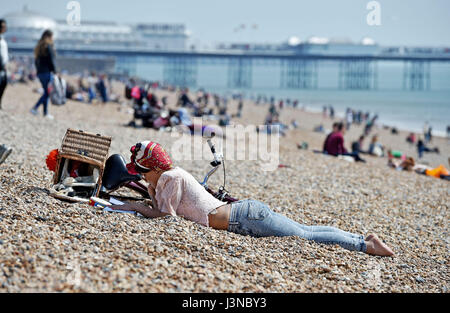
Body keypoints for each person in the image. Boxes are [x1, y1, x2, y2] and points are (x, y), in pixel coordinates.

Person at [111, 141, 394, 256]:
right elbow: (161, 205)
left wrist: (135, 206)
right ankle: (363, 238)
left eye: (143, 171)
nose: (141, 176)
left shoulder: (172, 178)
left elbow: (167, 217)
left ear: (156, 167)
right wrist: (146, 192)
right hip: (244, 215)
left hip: (244, 219)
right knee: (305, 231)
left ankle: (365, 246)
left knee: (305, 236)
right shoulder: (167, 177)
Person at [30, 30, 56, 119]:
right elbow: (51, 61)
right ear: (49, 36)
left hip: (40, 73)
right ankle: (35, 108)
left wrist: (38, 71)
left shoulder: (39, 47)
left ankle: (45, 113)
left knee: (46, 92)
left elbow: (36, 61)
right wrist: (55, 71)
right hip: (47, 73)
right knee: (47, 93)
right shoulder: (48, 47)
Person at [0, 19, 8, 110]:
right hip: (0, 66)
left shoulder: (2, 39)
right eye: (2, 26)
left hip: (3, 67)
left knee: (3, 84)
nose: (4, 28)